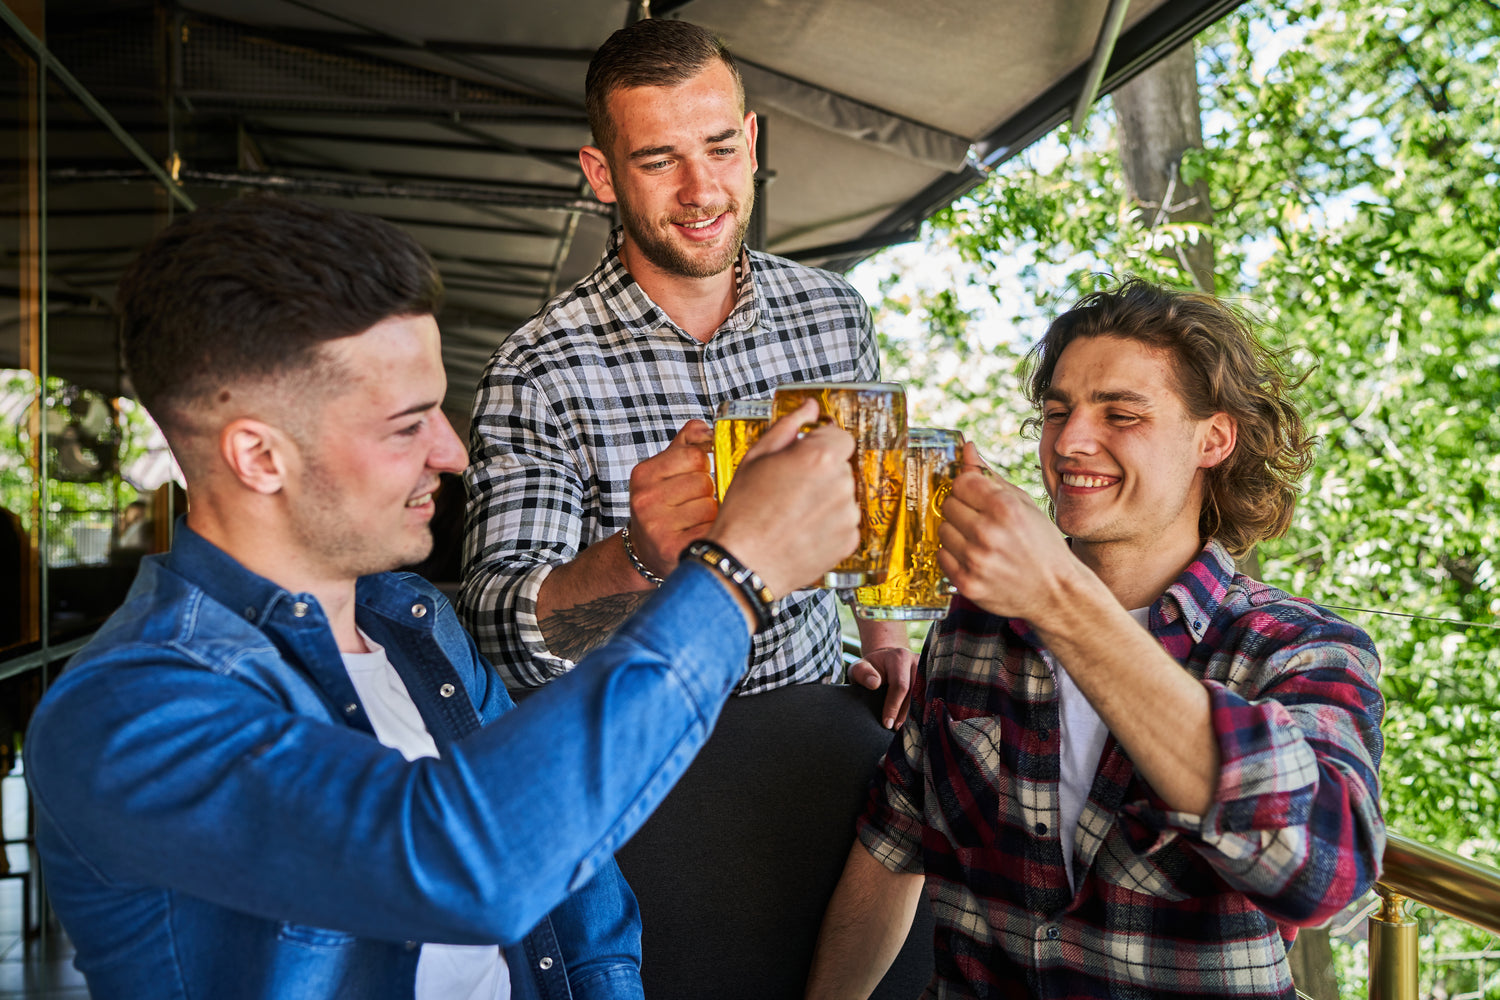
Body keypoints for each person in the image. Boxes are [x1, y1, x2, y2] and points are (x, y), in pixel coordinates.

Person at [23, 195, 863, 1000]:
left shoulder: (411, 625)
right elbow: (469, 862)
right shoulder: (128, 710)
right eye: (407, 424)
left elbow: (581, 898)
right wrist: (735, 574)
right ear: (259, 457)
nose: (452, 453)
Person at [806, 279, 1386, 998]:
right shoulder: (972, 633)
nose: (1071, 441)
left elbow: (1322, 871)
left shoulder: (1297, 649)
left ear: (1214, 437)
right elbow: (892, 846)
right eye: (1058, 412)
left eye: (1122, 414)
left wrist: (1058, 597)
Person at [459, 18, 916, 729]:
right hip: (644, 746)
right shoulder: (536, 370)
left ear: (752, 140)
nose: (702, 190)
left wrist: (888, 643)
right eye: (658, 160)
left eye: (721, 148)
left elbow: (876, 510)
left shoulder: (835, 311)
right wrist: (635, 559)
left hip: (814, 715)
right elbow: (495, 642)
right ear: (603, 175)